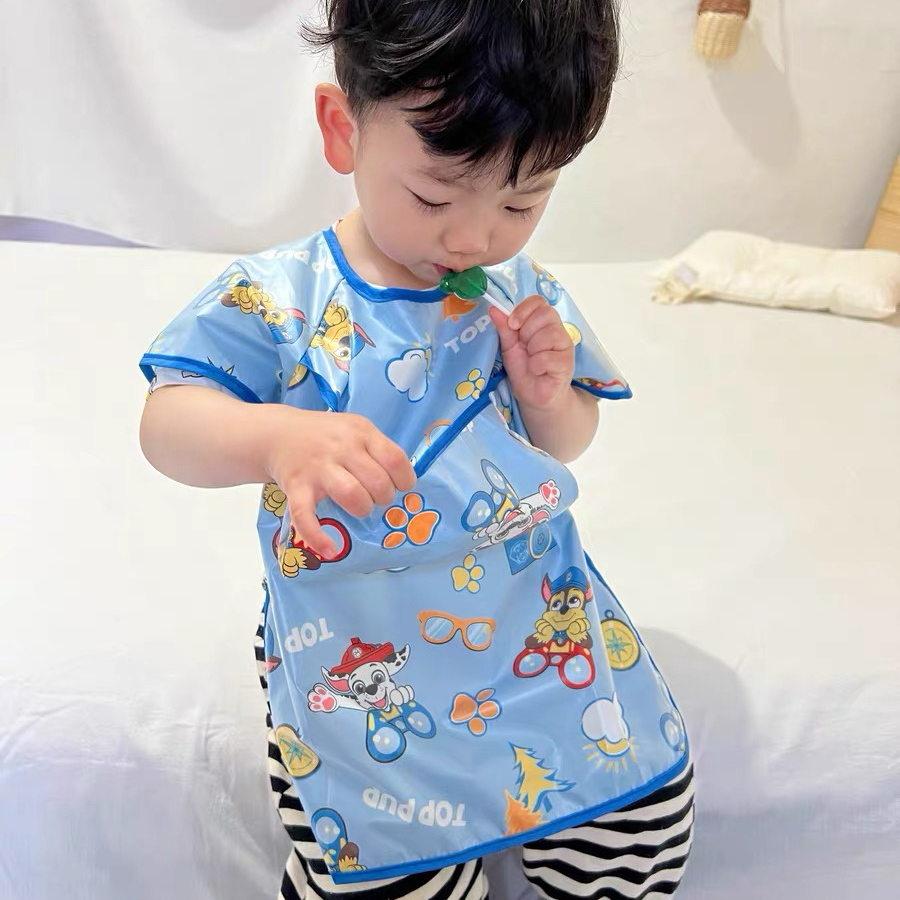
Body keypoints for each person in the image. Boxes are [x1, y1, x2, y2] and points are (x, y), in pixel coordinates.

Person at [139, 2, 695, 899]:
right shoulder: (281, 296)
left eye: (523, 200)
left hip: (530, 623)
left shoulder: (518, 291)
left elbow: (567, 445)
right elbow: (167, 424)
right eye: (434, 196)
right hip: (355, 644)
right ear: (343, 130)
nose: (475, 238)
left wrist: (548, 395)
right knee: (383, 872)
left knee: (645, 813)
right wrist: (277, 437)